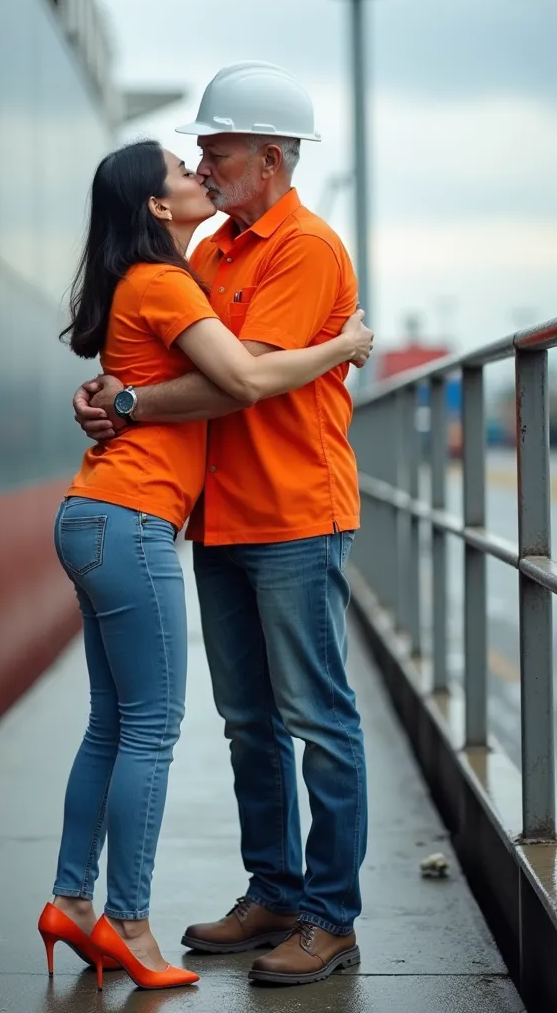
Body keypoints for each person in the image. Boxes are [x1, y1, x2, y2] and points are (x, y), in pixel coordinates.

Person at [38, 135, 373, 991]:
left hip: (291, 511)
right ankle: (270, 892)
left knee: (315, 719)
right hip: (203, 517)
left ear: (269, 159)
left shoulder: (305, 246)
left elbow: (241, 374)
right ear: (158, 206)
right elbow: (220, 373)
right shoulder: (197, 258)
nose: (200, 165)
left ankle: (327, 918)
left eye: (214, 153)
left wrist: (124, 395)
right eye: (190, 163)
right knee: (241, 723)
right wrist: (344, 347)